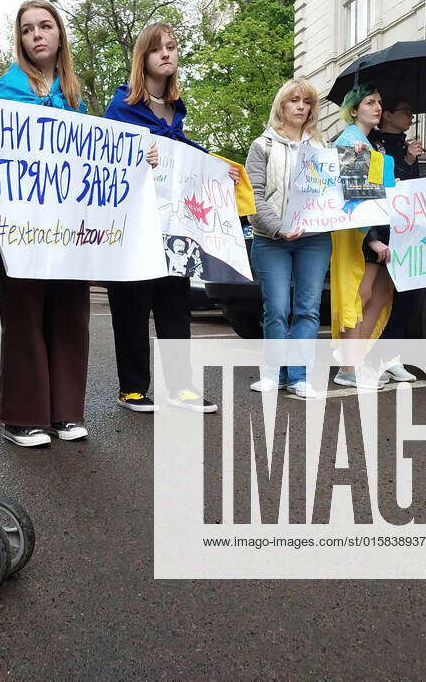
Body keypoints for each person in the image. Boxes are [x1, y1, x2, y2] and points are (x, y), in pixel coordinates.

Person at [102, 21, 231, 413]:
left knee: (176, 308)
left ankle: (181, 387)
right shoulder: (120, 106)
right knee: (132, 308)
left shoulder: (177, 113)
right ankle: (133, 388)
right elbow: (104, 162)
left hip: (173, 227)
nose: (167, 54)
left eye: (173, 47)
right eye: (158, 48)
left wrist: (218, 167)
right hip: (132, 227)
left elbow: (185, 162)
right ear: (144, 56)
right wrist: (135, 157)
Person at [0, 0, 90, 446]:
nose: (37, 35)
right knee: (24, 314)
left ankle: (66, 412)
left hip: (69, 224)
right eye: (27, 30)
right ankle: (24, 415)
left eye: (45, 26)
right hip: (23, 224)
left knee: (70, 312)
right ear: (20, 40)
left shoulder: (75, 98)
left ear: (59, 34)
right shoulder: (5, 91)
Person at [245, 78, 329, 399]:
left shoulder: (323, 148)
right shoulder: (262, 145)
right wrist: (279, 226)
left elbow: (336, 190)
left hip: (314, 238)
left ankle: (299, 376)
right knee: (277, 307)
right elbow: (254, 197)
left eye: (306, 102)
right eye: (294, 101)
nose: (300, 107)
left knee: (307, 308)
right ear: (281, 105)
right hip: (272, 238)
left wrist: (358, 160)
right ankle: (273, 373)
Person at [330, 85, 396, 389]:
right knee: (361, 294)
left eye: (379, 102)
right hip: (359, 232)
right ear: (354, 110)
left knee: (379, 294)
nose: (377, 107)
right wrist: (371, 238)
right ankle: (348, 365)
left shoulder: (370, 143)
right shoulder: (349, 141)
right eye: (370, 102)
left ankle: (356, 359)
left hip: (376, 226)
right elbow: (353, 195)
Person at [367, 97, 424, 353]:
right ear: (388, 115)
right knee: (372, 296)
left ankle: (391, 355)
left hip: (404, 231)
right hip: (379, 228)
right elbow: (378, 185)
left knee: (403, 296)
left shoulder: (406, 147)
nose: (411, 116)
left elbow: (412, 188)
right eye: (406, 110)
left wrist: (411, 160)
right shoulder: (371, 142)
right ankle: (367, 352)